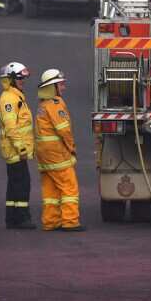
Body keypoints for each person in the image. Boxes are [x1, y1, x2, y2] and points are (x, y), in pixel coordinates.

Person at [35, 69, 83, 231]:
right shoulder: (55, 104)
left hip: (44, 154)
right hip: (57, 154)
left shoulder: (43, 105)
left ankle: (51, 221)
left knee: (51, 189)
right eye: (61, 84)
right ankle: (70, 222)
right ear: (53, 86)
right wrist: (72, 147)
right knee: (69, 186)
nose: (64, 87)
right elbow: (64, 130)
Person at [0, 61, 36, 229]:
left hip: (15, 149)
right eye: (20, 79)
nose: (23, 82)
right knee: (22, 183)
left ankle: (11, 218)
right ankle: (21, 218)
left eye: (23, 79)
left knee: (14, 183)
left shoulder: (15, 97)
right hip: (15, 150)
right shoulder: (9, 99)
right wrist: (21, 147)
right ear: (12, 80)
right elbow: (11, 127)